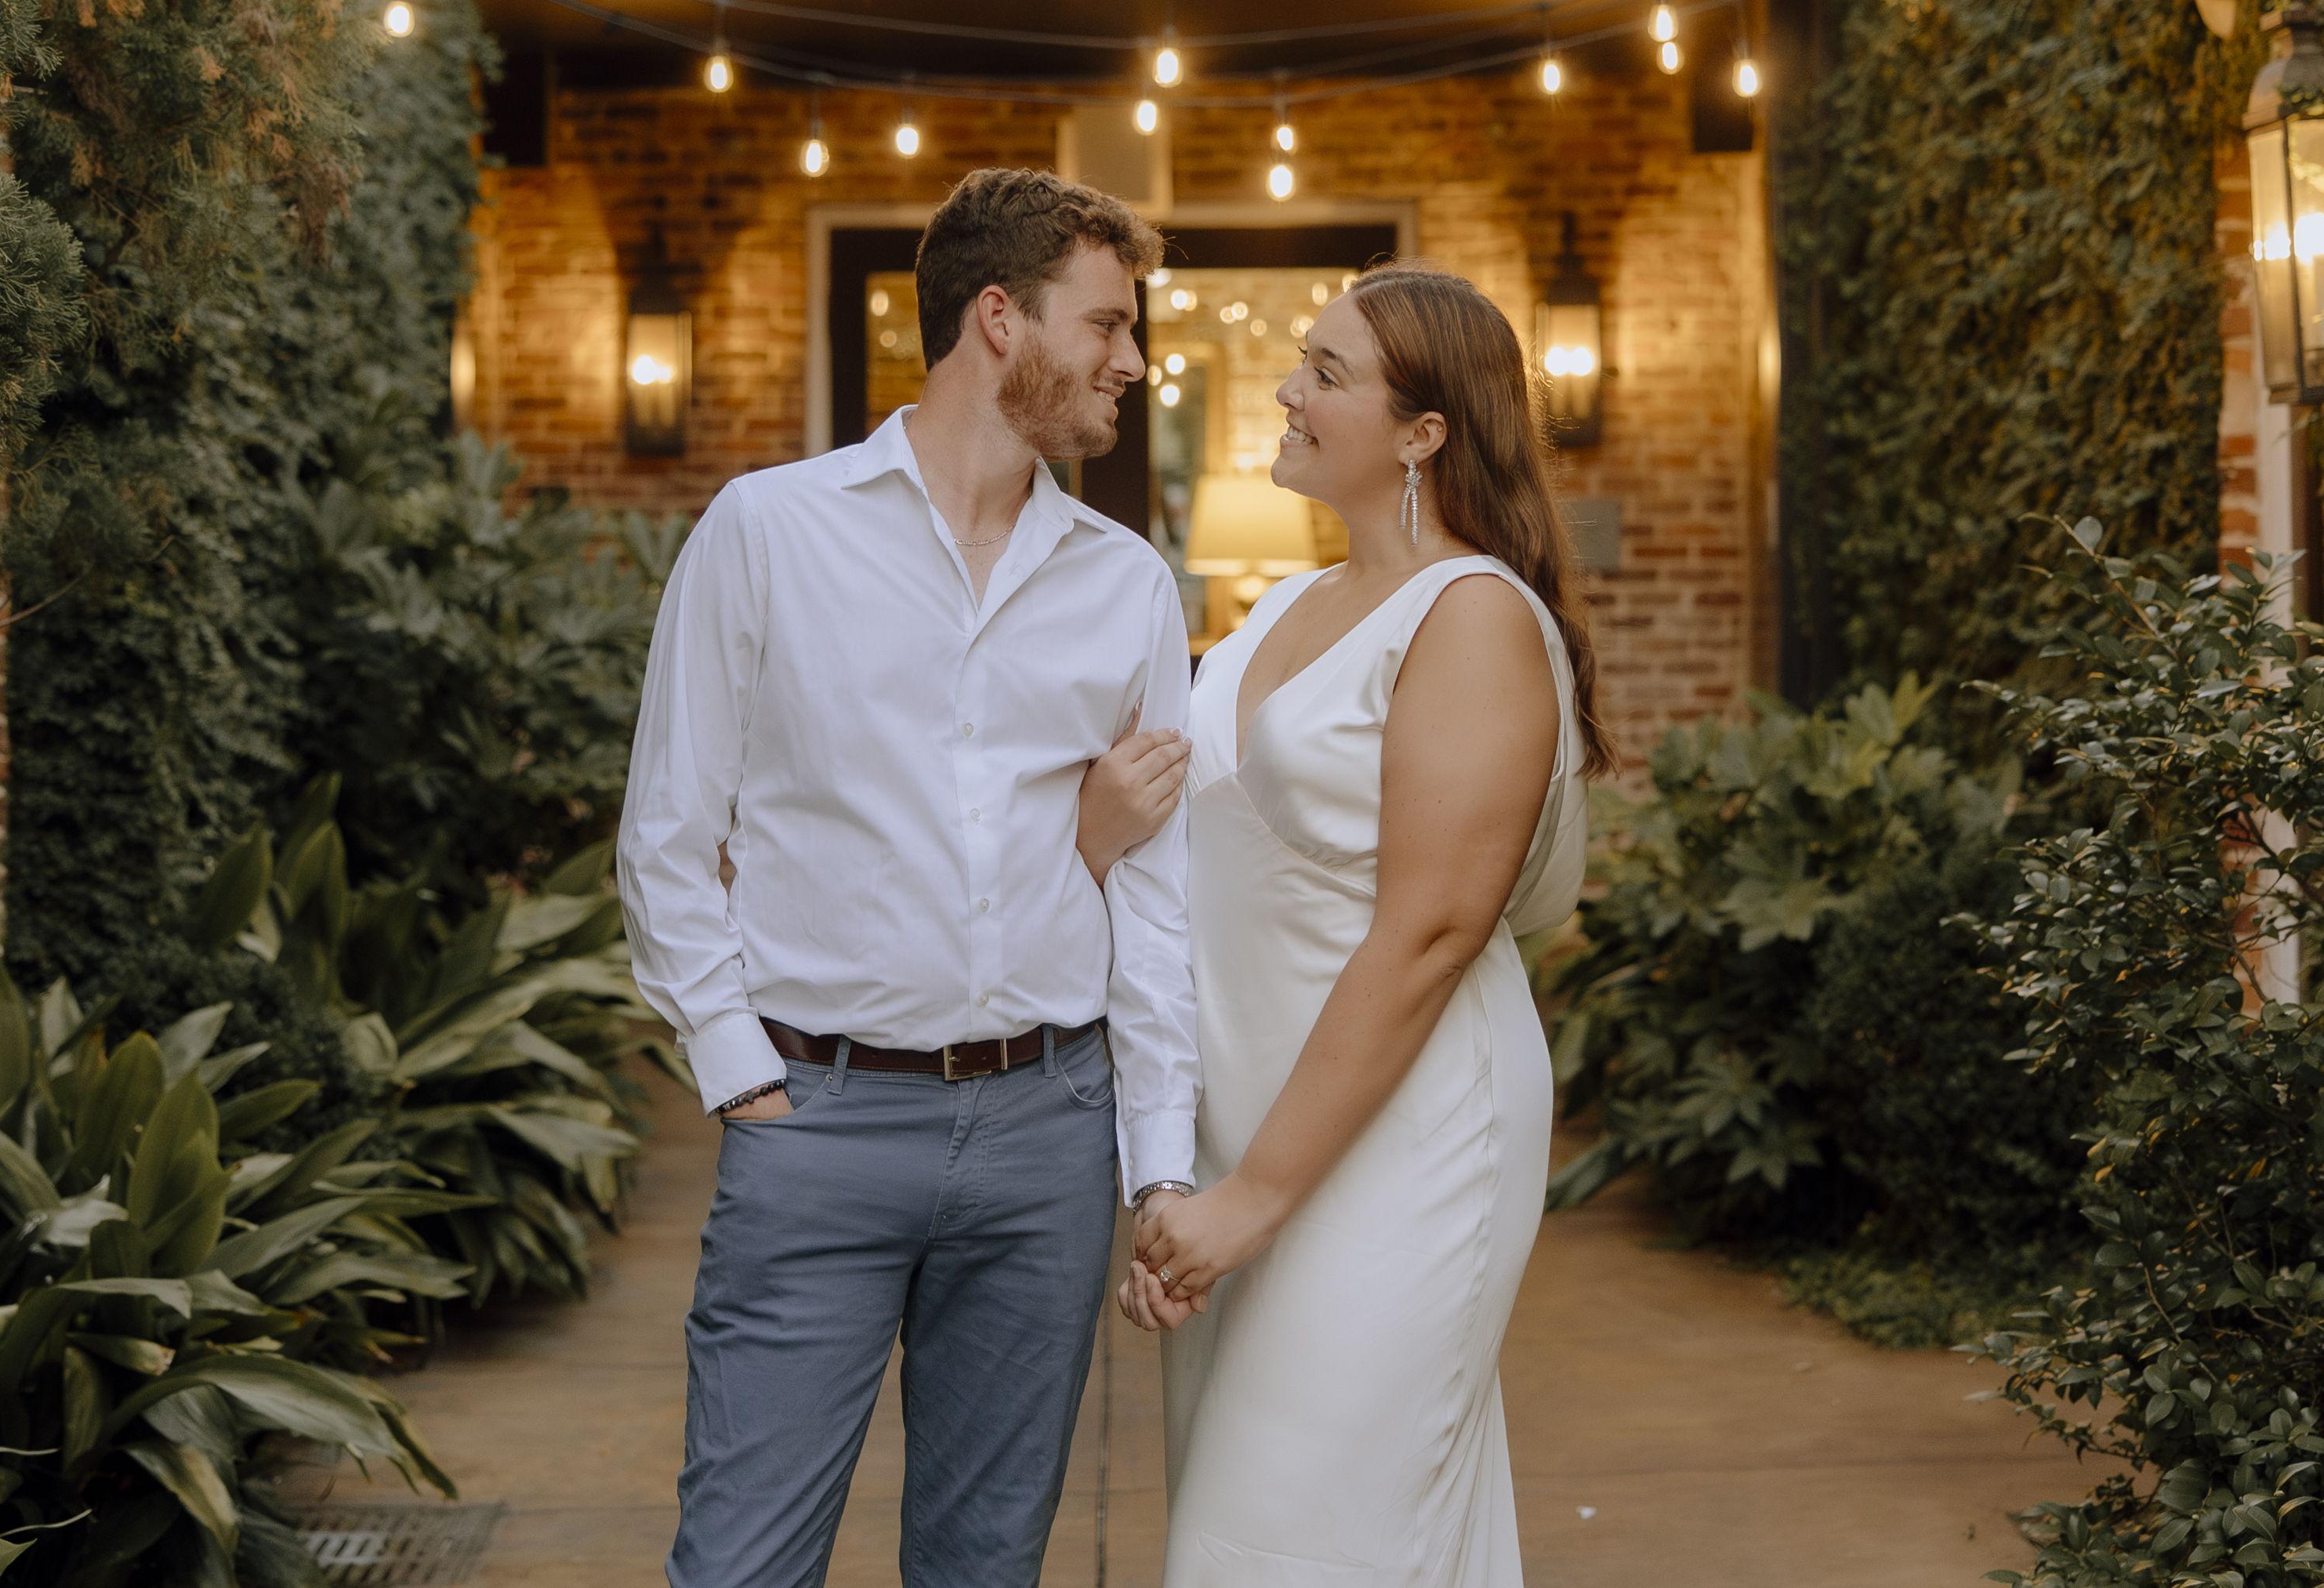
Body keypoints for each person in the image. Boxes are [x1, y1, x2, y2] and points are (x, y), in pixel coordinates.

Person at [615, 168, 1202, 1588]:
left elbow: (1153, 896)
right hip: (817, 1120)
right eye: (1107, 324)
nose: (1132, 360)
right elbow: (668, 830)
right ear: (999, 318)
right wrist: (740, 1073)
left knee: (983, 1565)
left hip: (1046, 1134)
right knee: (742, 1563)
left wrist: (1157, 1156)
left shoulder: (1125, 582)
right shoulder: (767, 531)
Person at [1104, 262, 1615, 1586]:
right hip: (1242, 1128)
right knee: (1310, 1526)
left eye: (1325, 373)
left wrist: (1254, 1200)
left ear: (1422, 432)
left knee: (1279, 1542)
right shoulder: (1283, 604)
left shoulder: (1472, 614)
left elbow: (1434, 931)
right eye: (1300, 360)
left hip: (1401, 1142)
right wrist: (1180, 1183)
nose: (1285, 391)